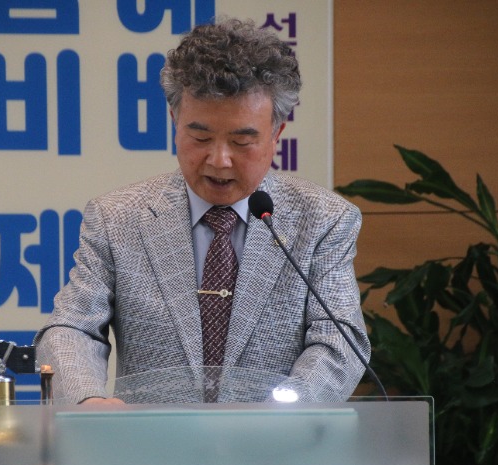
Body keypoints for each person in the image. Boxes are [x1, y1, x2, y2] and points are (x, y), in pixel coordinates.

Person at [34, 17, 370, 405]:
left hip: (276, 440)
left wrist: (282, 415)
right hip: (151, 441)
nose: (219, 160)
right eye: (201, 137)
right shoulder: (117, 218)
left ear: (276, 134)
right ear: (175, 122)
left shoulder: (323, 219)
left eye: (242, 142)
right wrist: (87, 400)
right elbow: (72, 327)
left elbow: (339, 340)